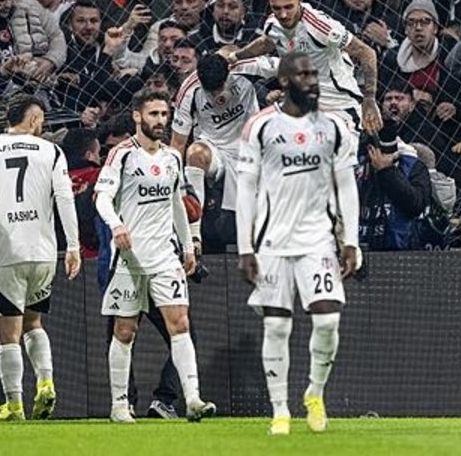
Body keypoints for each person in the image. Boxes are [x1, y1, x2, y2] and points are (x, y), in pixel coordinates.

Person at [236, 51, 359, 435]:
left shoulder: (335, 126)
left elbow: (346, 185)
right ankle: (280, 411)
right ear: (285, 81)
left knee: (327, 320)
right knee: (276, 328)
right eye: (304, 75)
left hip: (318, 240)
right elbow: (245, 189)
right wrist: (245, 247)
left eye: (314, 74)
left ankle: (315, 393)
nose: (313, 80)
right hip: (271, 242)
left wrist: (351, 240)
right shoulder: (261, 126)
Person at [94, 89, 216, 424]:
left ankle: (192, 399)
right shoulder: (122, 154)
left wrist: (189, 245)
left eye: (164, 115)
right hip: (130, 258)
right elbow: (101, 197)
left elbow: (177, 203)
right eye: (153, 114)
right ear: (137, 116)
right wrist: (117, 225)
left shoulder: (173, 157)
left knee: (181, 324)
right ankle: (120, 404)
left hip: (165, 256)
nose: (160, 121)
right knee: (125, 331)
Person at [0, 95, 81, 421]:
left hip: (6, 249)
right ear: (34, 119)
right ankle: (46, 382)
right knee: (34, 323)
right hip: (43, 252)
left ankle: (14, 406)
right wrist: (74, 247)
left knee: (8, 333)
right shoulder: (51, 150)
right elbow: (65, 198)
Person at [229, 0, 382, 135]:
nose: (283, 15)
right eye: (276, 8)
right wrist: (236, 56)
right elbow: (267, 42)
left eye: (289, 7)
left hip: (338, 104)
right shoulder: (273, 23)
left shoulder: (321, 26)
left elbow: (366, 53)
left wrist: (369, 99)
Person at [171, 52, 276, 248]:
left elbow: (293, 67)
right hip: (215, 149)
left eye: (219, 89)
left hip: (251, 146)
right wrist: (177, 185)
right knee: (195, 153)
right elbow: (177, 144)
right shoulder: (188, 91)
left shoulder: (248, 67)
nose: (216, 96)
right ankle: (194, 238)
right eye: (210, 92)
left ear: (229, 73)